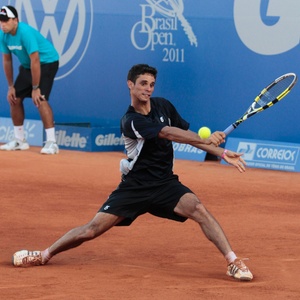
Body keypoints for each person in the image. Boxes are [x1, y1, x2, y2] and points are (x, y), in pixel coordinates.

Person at [12, 64, 253, 281]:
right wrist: (207, 137)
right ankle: (43, 254)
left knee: (198, 208)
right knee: (91, 230)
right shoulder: (131, 121)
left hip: (165, 184)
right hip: (134, 187)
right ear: (131, 84)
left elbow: (188, 138)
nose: (148, 89)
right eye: (143, 84)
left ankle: (233, 261)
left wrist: (220, 152)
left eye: (151, 85)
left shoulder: (163, 105)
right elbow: (169, 133)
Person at [0, 5, 59, 154]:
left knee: (40, 98)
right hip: (28, 66)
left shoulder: (25, 32)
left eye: (6, 21)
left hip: (47, 62)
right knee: (14, 98)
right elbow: (7, 60)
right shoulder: (3, 35)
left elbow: (35, 60)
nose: (3, 24)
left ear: (16, 20)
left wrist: (35, 88)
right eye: (1, 21)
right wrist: (10, 86)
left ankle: (51, 142)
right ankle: (20, 140)